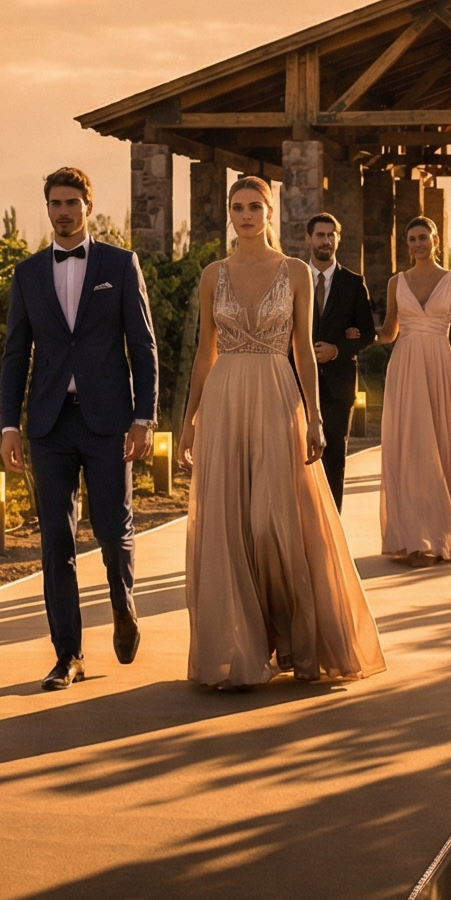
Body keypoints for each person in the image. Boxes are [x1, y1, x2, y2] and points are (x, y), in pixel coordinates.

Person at [179, 177, 383, 689]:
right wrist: (189, 422)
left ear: (270, 213)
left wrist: (314, 416)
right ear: (230, 214)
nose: (245, 215)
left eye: (254, 207)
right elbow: (205, 354)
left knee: (274, 522)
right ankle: (242, 651)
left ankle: (294, 639)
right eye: (237, 207)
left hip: (276, 397)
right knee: (229, 527)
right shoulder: (212, 275)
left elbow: (303, 352)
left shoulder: (295, 272)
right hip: (224, 401)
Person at [0, 166, 158, 690]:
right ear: (47, 208)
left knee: (113, 530)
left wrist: (143, 417)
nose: (63, 211)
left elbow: (143, 346)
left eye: (72, 202)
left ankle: (123, 602)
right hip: (49, 424)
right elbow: (16, 354)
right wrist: (8, 424)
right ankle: (68, 654)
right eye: (55, 203)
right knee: (56, 544)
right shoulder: (27, 274)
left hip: (109, 421)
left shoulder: (120, 264)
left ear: (89, 206)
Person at [376, 215, 451, 564]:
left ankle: (445, 534)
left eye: (423, 237)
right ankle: (416, 538)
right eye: (412, 239)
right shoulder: (396, 282)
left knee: (443, 446)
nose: (417, 244)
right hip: (405, 368)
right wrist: (356, 335)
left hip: (442, 367)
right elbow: (388, 331)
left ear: (436, 239)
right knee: (411, 449)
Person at [305, 212, 376, 509]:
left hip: (339, 384)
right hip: (297, 383)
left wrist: (338, 349)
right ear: (308, 238)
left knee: (334, 458)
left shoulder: (353, 283)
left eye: (331, 235)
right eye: (320, 235)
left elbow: (368, 334)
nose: (326, 240)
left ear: (338, 239)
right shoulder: (293, 277)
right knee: (298, 459)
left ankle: (333, 528)